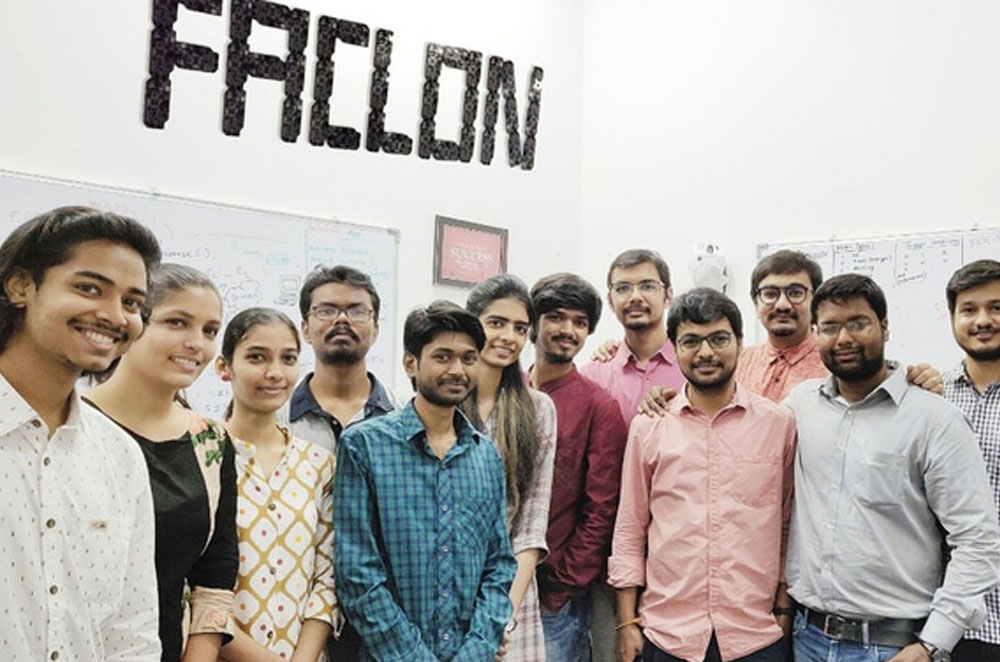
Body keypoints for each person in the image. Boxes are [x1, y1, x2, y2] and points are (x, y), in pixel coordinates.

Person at [785, 273, 1000, 662]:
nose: (843, 338)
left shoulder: (934, 419)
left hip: (894, 648)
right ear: (815, 334)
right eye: (830, 327)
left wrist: (933, 643)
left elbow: (977, 539)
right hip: (807, 639)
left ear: (885, 327)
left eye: (858, 323)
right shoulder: (799, 406)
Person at [0, 206, 162, 661]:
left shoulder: (119, 455)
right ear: (21, 286)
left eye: (132, 303)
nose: (115, 316)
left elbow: (132, 633)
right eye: (89, 288)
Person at [610, 288, 794, 662]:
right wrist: (626, 623)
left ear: (740, 342)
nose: (705, 353)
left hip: (755, 635)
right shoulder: (649, 425)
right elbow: (630, 527)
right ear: (675, 347)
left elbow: (788, 523)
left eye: (719, 339)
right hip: (668, 634)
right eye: (691, 341)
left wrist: (783, 609)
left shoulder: (778, 424)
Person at [333, 300, 517, 662]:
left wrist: (476, 651)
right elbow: (357, 574)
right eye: (443, 357)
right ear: (410, 363)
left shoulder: (486, 455)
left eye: (468, 358)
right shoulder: (364, 445)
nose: (458, 370)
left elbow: (499, 565)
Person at [86, 263, 239, 662]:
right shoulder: (70, 425)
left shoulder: (211, 441)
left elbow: (215, 576)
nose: (196, 343)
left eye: (210, 331)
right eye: (177, 322)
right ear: (133, 322)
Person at [281, 264, 398, 660]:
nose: (342, 320)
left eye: (357, 310)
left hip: (385, 615)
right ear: (305, 326)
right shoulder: (273, 418)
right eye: (327, 310)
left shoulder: (404, 420)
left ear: (376, 328)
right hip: (292, 612)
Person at [215, 308, 338, 662]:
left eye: (288, 359)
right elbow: (193, 588)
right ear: (224, 367)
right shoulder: (202, 455)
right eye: (257, 357)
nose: (275, 373)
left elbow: (327, 578)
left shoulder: (319, 464)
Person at [528, 273, 629, 662]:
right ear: (534, 322)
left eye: (579, 322)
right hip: (495, 587)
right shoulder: (509, 392)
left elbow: (602, 510)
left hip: (555, 598)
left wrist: (560, 587)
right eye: (556, 317)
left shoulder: (599, 407)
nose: (567, 330)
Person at [461, 275, 558, 662]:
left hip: (511, 594)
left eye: (520, 328)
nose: (508, 337)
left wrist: (503, 615)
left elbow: (532, 525)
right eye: (496, 323)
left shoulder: (537, 409)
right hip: (446, 592)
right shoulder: (440, 401)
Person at [943, 260, 1000, 662]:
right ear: (952, 318)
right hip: (941, 620)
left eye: (996, 307)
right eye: (969, 309)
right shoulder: (929, 396)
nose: (983, 320)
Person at [580, 249, 686, 425]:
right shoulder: (593, 376)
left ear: (668, 296)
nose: (635, 297)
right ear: (610, 300)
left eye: (647, 286)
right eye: (623, 288)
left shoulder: (692, 366)